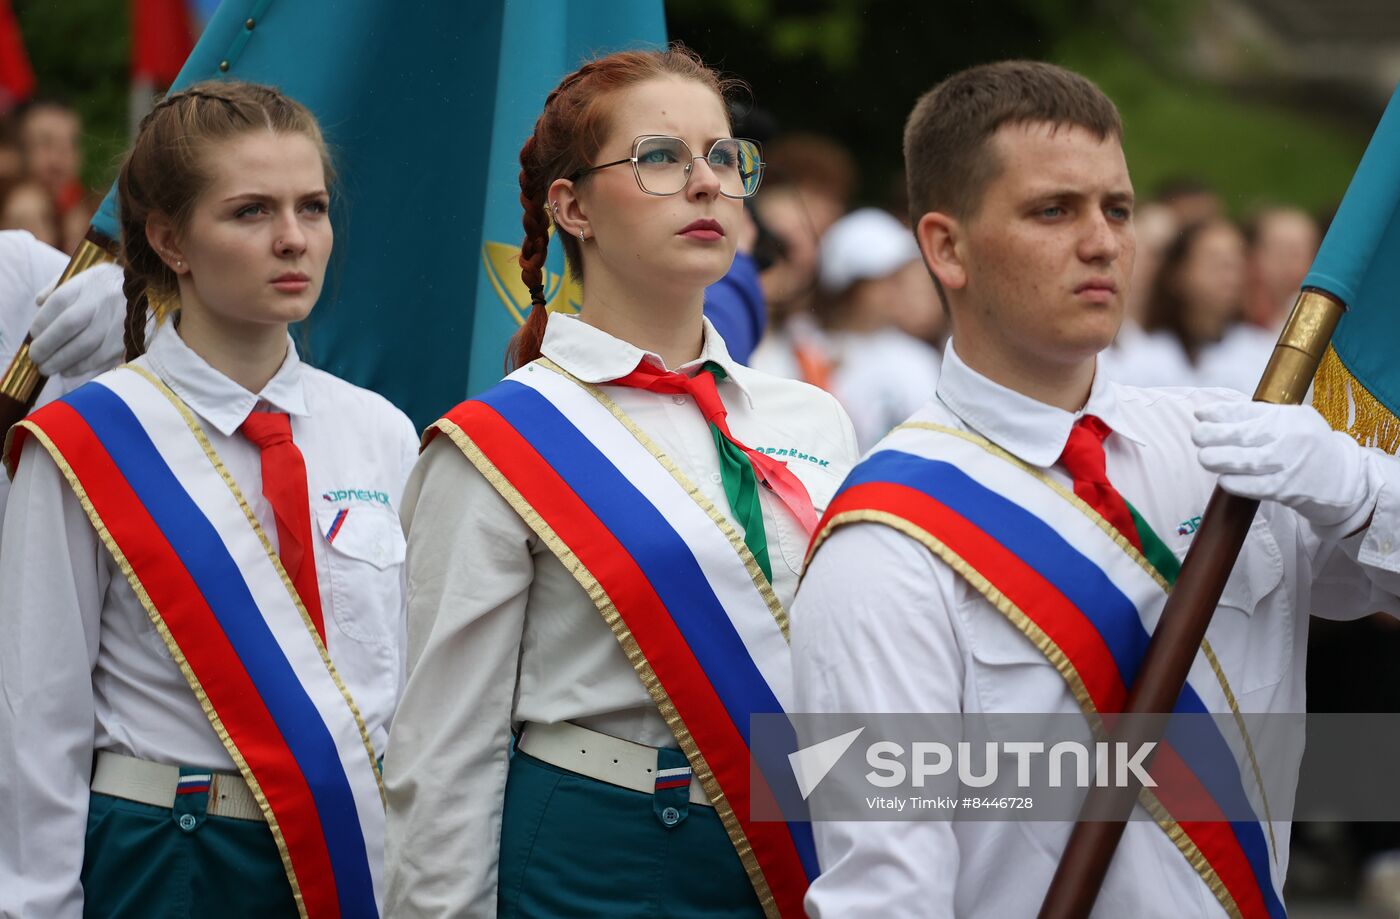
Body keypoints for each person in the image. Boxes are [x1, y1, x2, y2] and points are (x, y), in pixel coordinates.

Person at [792, 60, 1400, 918]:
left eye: (1117, 208)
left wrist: (1359, 487)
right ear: (945, 246)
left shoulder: (1231, 446)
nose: (1102, 241)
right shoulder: (883, 544)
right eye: (1054, 210)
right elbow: (884, 893)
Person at [382, 46, 858, 917]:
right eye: (661, 158)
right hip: (608, 858)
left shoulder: (812, 420)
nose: (706, 182)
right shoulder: (493, 445)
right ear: (571, 206)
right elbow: (443, 751)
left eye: (723, 156)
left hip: (810, 843)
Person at [0, 81, 418, 918]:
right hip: (169, 855)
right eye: (251, 212)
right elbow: (37, 719)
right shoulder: (87, 440)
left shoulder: (380, 429)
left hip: (357, 855)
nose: (294, 239)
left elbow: (405, 689)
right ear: (169, 240)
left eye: (313, 207)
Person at [1137, 217, 1273, 393]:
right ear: (1178, 274)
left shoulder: (1265, 355)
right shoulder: (1143, 358)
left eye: (1235, 264)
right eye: (1215, 262)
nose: (1230, 276)